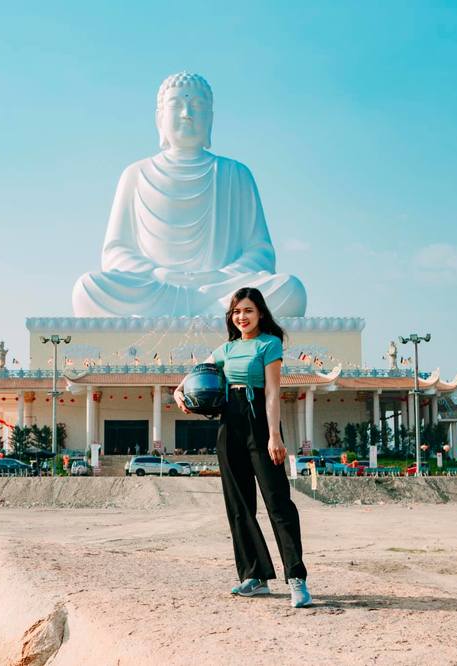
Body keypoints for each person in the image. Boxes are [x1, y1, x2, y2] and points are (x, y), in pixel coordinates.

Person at [72, 73, 306, 317]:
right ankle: (212, 315)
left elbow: (260, 252)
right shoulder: (136, 173)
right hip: (158, 289)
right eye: (176, 105)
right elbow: (115, 252)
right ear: (159, 118)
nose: (187, 113)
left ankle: (205, 312)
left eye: (198, 106)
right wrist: (157, 273)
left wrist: (222, 276)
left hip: (223, 291)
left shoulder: (235, 173)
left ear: (211, 119)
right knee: (87, 287)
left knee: (290, 289)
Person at [174, 286, 311, 608]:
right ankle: (254, 575)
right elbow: (191, 377)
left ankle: (297, 578)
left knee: (279, 504)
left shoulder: (269, 344)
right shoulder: (226, 349)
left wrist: (274, 436)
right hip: (229, 424)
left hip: (259, 422)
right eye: (236, 312)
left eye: (247, 311)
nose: (242, 317)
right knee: (238, 505)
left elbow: (273, 393)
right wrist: (179, 395)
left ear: (260, 313)